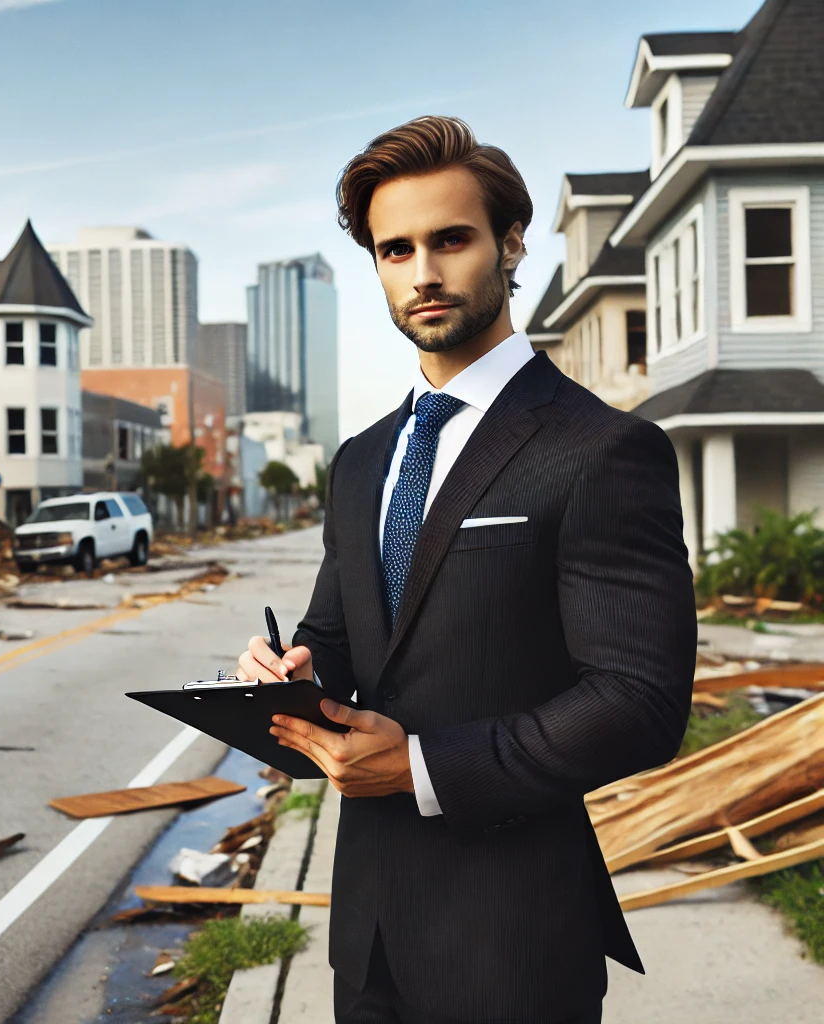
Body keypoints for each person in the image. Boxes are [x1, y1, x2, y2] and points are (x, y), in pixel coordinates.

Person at [236, 115, 696, 1024]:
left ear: (512, 242)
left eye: (450, 239)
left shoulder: (603, 449)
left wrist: (419, 767)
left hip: (514, 943)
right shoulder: (363, 459)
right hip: (367, 937)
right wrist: (294, 679)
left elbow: (640, 702)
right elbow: (340, 637)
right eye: (394, 248)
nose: (424, 273)